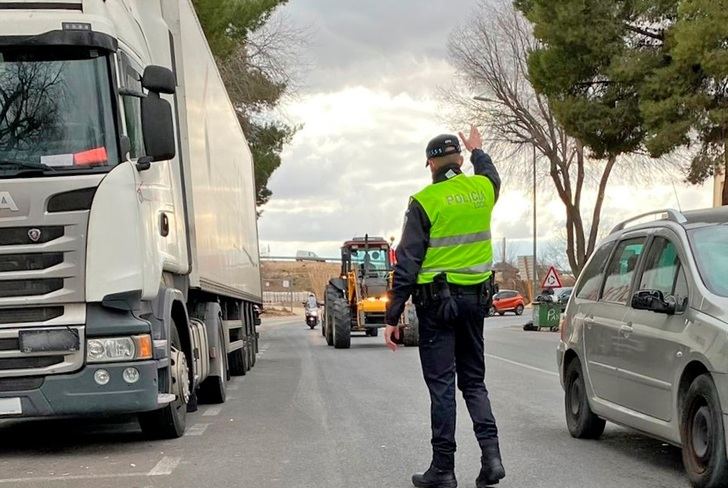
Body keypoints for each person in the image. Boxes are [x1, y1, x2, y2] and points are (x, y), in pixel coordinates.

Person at [384, 127, 504, 488]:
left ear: (431, 164)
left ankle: (443, 469)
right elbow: (492, 176)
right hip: (476, 303)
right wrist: (479, 150)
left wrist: (392, 317)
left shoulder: (425, 201)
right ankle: (492, 458)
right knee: (474, 383)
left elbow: (407, 264)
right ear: (461, 160)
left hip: (437, 306)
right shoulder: (483, 191)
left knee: (442, 387)